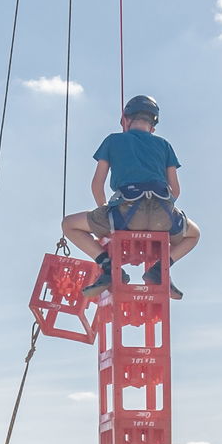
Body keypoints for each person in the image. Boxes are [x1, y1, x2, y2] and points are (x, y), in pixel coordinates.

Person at [60, 94, 201, 299]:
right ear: (153, 126)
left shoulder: (113, 140)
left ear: (125, 120)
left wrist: (104, 217)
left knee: (69, 224)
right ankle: (160, 269)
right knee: (194, 234)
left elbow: (96, 185)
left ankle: (107, 266)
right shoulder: (164, 145)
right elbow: (176, 190)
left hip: (125, 215)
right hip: (163, 217)